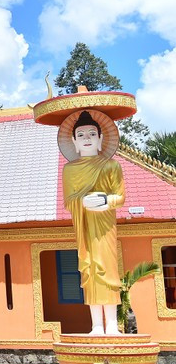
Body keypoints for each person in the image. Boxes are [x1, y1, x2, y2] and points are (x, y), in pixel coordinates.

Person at [62, 110, 125, 335]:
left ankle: (113, 326)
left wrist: (105, 200)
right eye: (81, 135)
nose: (86, 138)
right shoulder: (69, 169)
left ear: (100, 139)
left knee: (107, 271)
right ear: (74, 142)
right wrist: (83, 201)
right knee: (89, 272)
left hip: (105, 225)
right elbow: (69, 201)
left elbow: (120, 197)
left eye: (91, 134)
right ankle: (97, 325)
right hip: (86, 225)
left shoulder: (111, 166)